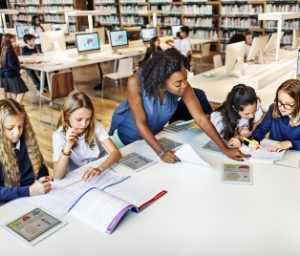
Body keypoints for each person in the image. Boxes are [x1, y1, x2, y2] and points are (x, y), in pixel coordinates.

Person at [109, 48, 248, 163]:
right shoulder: (135, 81)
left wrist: (224, 148)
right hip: (125, 141)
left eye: (185, 79)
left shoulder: (183, 86)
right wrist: (161, 152)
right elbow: (141, 123)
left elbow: (200, 118)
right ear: (162, 81)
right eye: (177, 83)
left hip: (151, 140)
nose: (184, 85)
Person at [53, 91, 121, 181]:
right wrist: (68, 145)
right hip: (81, 177)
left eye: (88, 119)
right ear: (67, 117)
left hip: (101, 169)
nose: (84, 124)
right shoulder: (58, 136)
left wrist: (99, 169)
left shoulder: (95, 126)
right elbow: (58, 175)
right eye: (79, 119)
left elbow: (115, 153)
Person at [0, 98, 52, 206]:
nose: (17, 133)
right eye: (10, 128)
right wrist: (28, 191)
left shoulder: (27, 142)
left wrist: (43, 179)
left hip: (31, 200)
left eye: (20, 126)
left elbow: (40, 168)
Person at [248, 79, 300, 152]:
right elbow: (262, 128)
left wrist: (290, 143)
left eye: (288, 104)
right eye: (279, 101)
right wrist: (254, 139)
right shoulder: (273, 108)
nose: (282, 107)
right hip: (273, 153)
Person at [0, 33, 27, 104]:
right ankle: (17, 108)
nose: (14, 43)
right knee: (22, 91)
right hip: (13, 75)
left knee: (14, 92)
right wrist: (19, 69)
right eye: (12, 42)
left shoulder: (4, 49)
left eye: (15, 41)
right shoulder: (10, 51)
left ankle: (15, 107)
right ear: (7, 42)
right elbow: (11, 63)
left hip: (7, 75)